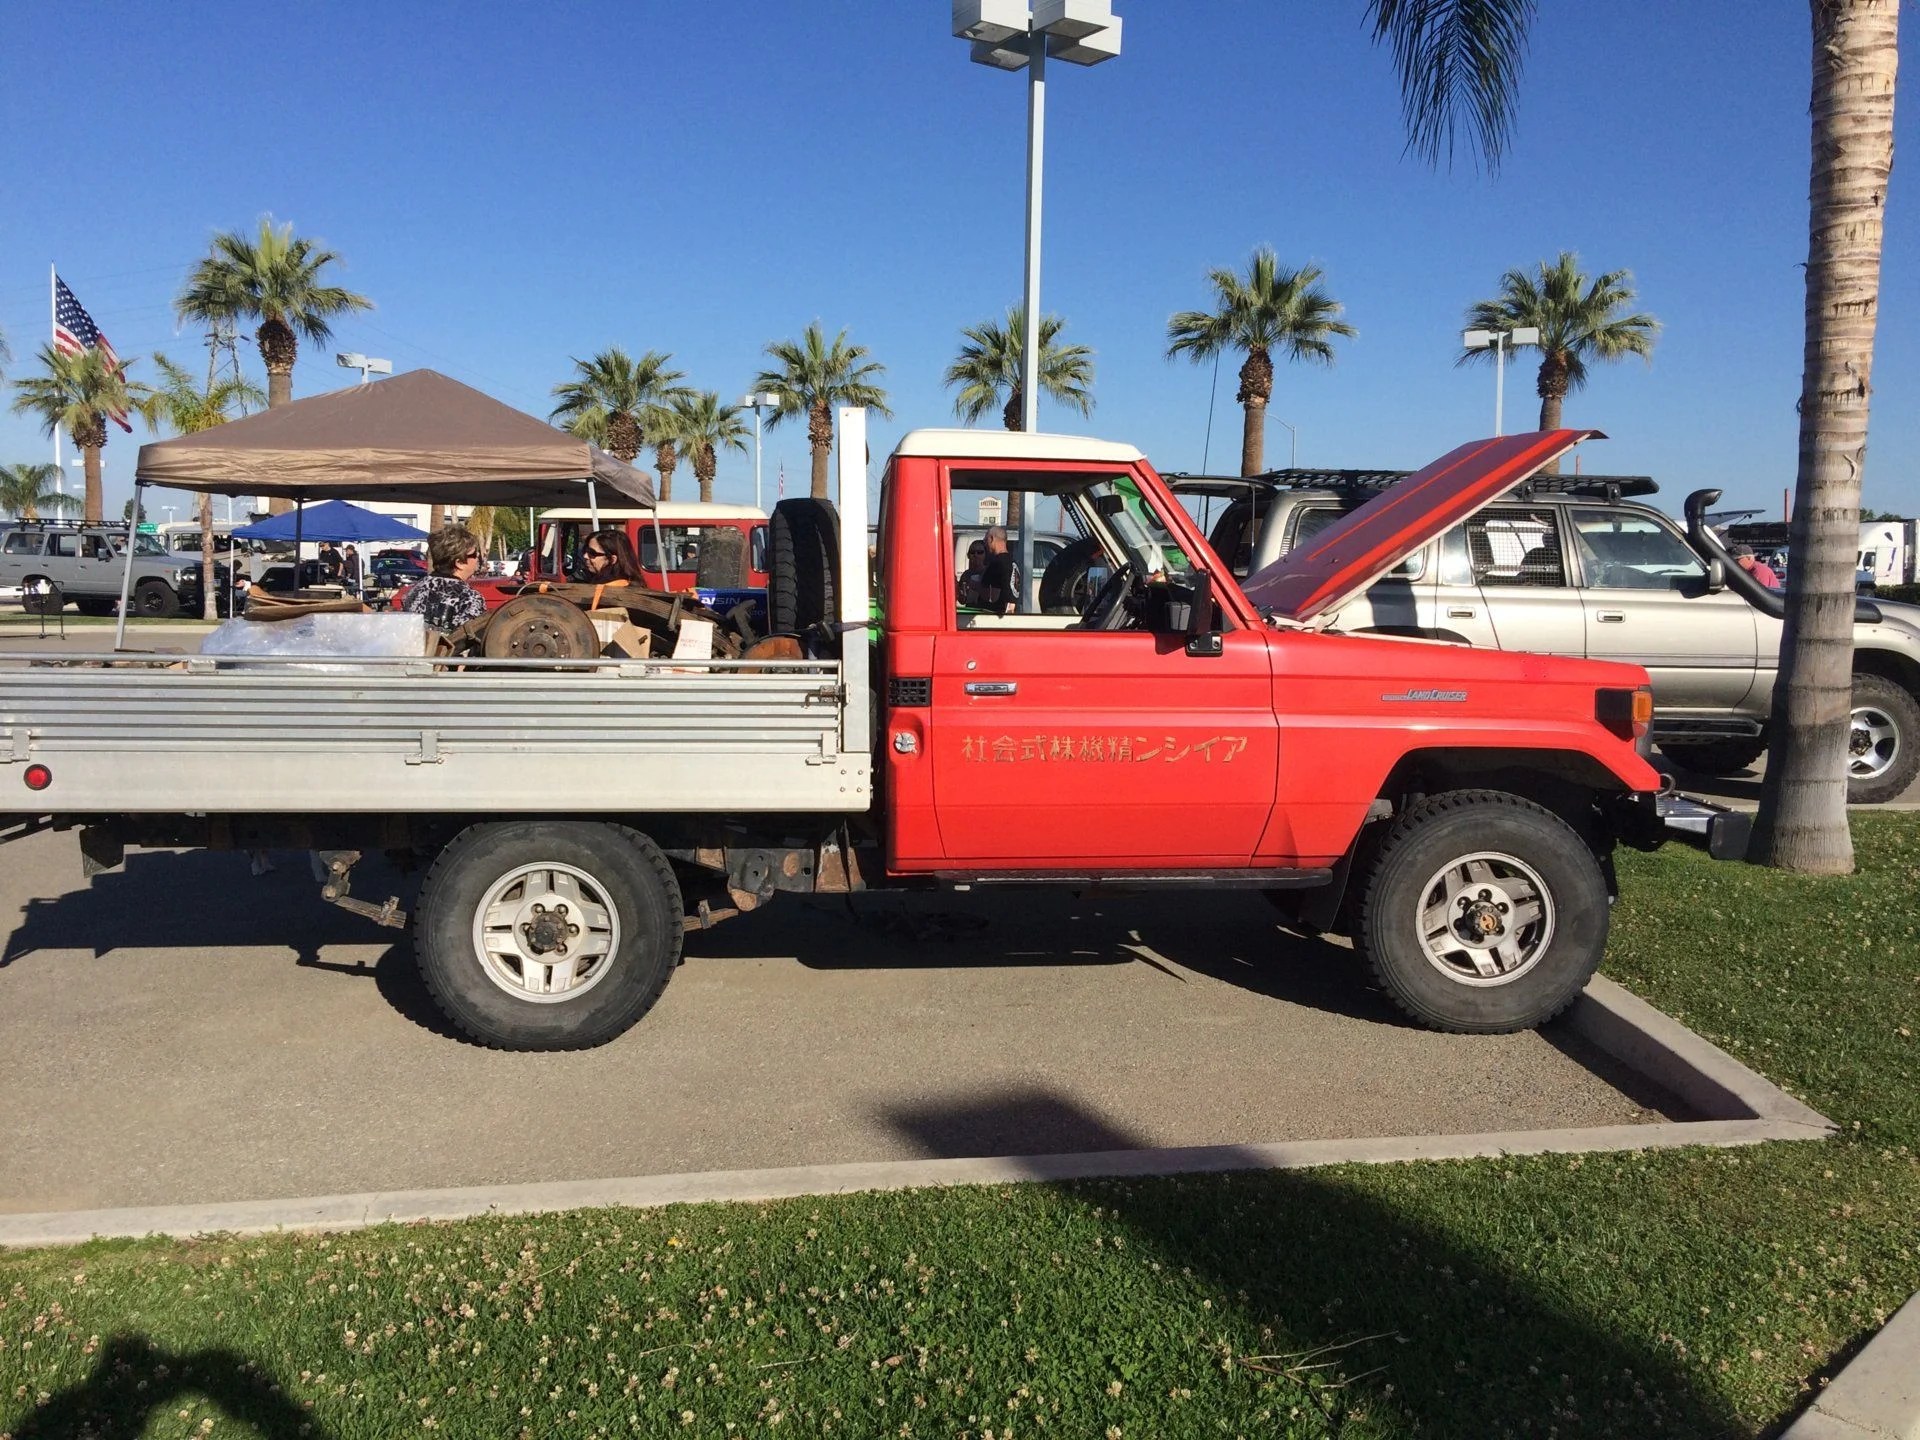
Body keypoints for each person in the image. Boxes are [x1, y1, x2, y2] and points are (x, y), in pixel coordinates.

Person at [400, 522, 487, 634]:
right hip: (450, 651)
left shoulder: (415, 590)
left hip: (415, 650)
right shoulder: (470, 598)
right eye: (475, 554)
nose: (478, 556)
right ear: (459, 563)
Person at [578, 527, 646, 584]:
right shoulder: (632, 583)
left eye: (592, 553)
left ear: (612, 559)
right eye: (585, 550)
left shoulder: (612, 589)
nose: (585, 556)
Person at [978, 526, 1019, 615]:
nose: (985, 544)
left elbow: (991, 595)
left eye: (985, 540)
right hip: (1012, 615)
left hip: (995, 617)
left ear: (991, 539)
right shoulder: (1013, 563)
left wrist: (974, 586)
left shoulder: (996, 564)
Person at [957, 538, 988, 607]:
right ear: (968, 555)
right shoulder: (966, 575)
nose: (976, 555)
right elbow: (962, 600)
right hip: (971, 612)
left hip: (986, 612)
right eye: (972, 552)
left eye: (980, 552)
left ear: (985, 555)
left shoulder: (989, 572)